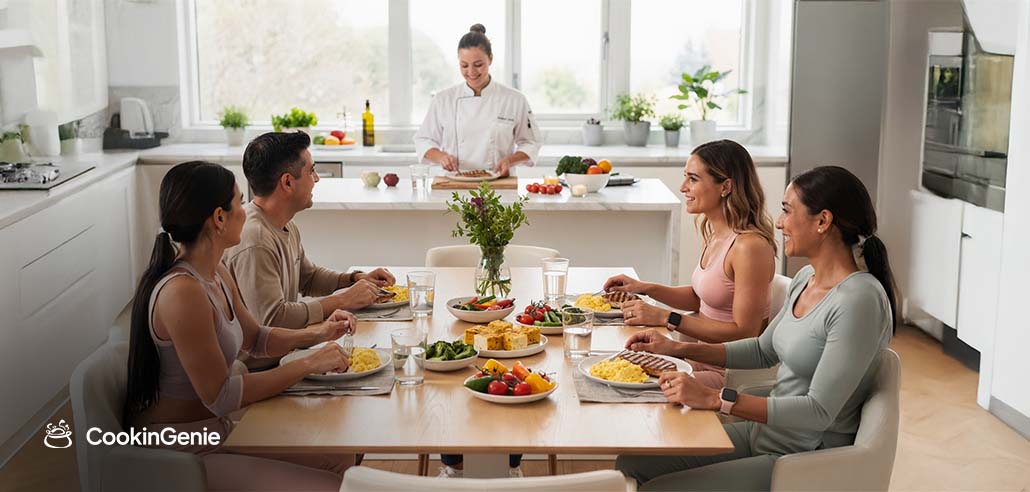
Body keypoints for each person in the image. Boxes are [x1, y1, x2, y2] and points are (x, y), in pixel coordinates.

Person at [616, 165, 898, 491]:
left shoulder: (858, 300)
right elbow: (763, 349)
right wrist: (676, 348)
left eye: (787, 211)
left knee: (658, 488)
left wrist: (717, 398)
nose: (778, 223)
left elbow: (818, 411)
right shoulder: (807, 279)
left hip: (804, 459)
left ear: (823, 221)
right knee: (631, 461)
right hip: (765, 433)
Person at [123, 161, 358, 488]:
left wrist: (319, 332)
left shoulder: (215, 271)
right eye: (238, 203)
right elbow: (220, 396)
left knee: (343, 457)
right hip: (181, 452)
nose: (246, 212)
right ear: (218, 218)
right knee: (332, 486)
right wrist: (308, 363)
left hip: (215, 431)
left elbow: (256, 339)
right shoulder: (182, 292)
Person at [604, 139, 776, 388]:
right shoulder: (717, 234)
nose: (683, 187)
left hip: (723, 373)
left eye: (693, 179)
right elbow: (700, 299)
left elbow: (744, 333)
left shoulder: (749, 247)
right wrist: (643, 288)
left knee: (623, 387)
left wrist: (667, 318)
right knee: (611, 368)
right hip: (694, 358)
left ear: (725, 186)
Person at [223, 131, 394, 368]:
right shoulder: (255, 240)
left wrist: (353, 279)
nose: (316, 179)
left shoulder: (283, 224)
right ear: (287, 182)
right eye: (311, 171)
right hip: (262, 372)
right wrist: (342, 300)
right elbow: (273, 319)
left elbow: (308, 278)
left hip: (285, 359)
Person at [414, 23, 541, 176]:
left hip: (499, 184)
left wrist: (510, 160)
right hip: (455, 184)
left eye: (478, 64)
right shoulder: (443, 100)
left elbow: (531, 142)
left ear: (490, 59)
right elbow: (423, 140)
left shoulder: (514, 99)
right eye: (464, 65)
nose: (471, 72)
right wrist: (441, 157)